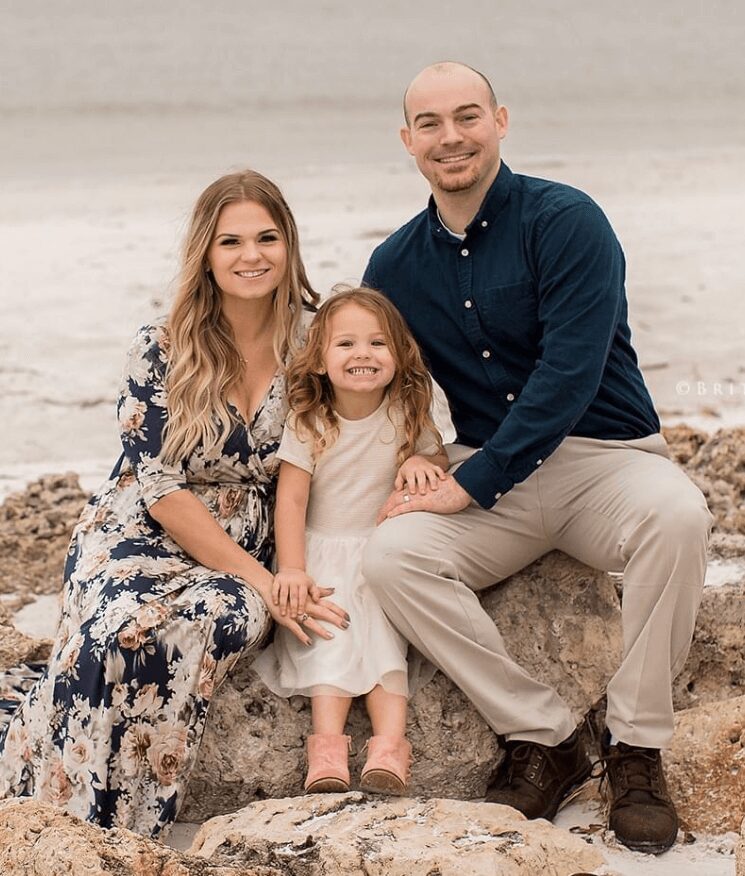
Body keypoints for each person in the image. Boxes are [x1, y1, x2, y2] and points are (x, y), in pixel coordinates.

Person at [360, 62, 712, 855]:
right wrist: (419, 452)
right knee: (392, 557)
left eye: (466, 117)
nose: (450, 137)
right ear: (406, 138)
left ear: (500, 120)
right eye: (430, 123)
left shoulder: (566, 220)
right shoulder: (393, 266)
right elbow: (384, 379)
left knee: (680, 515)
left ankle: (635, 747)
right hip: (492, 475)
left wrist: (469, 483)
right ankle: (545, 738)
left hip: (605, 461)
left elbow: (569, 371)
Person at [0, 169, 348, 838]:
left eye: (267, 237)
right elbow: (159, 489)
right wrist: (265, 581)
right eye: (232, 241)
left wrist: (424, 459)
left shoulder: (313, 344)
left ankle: (130, 831)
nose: (252, 255)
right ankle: (74, 825)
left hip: (250, 544)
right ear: (206, 254)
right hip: (137, 531)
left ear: (290, 245)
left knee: (210, 622)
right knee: (112, 635)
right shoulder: (159, 346)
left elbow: (378, 406)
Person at [253, 287, 447, 794]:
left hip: (381, 553)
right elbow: (291, 502)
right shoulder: (310, 421)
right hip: (323, 554)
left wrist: (422, 461)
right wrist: (292, 570)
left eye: (378, 342)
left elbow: (438, 459)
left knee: (385, 647)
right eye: (346, 345)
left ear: (401, 353)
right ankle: (327, 752)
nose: (363, 354)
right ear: (318, 358)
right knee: (331, 642)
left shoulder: (407, 411)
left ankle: (388, 749)